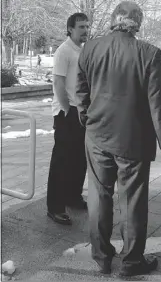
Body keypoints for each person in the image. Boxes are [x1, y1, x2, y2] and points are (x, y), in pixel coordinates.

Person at [75, 1, 161, 276]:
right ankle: (131, 262)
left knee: (98, 196)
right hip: (133, 140)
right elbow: (158, 104)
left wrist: (87, 118)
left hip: (97, 135)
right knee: (132, 200)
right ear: (138, 23)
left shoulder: (90, 47)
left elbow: (81, 90)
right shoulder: (149, 53)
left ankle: (101, 256)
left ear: (113, 19)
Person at [47, 13, 89, 225]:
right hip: (67, 112)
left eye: (86, 26)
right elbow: (58, 84)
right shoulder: (63, 51)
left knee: (79, 159)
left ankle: (73, 197)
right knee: (62, 162)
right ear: (70, 28)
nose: (85, 30)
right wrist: (67, 110)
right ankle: (54, 207)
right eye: (81, 26)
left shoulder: (82, 50)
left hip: (80, 111)